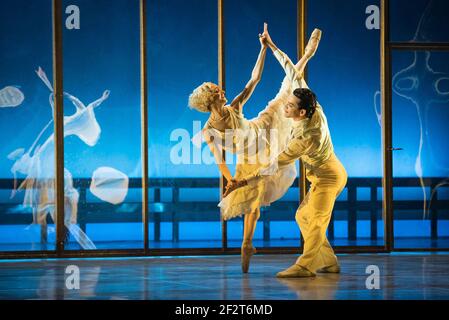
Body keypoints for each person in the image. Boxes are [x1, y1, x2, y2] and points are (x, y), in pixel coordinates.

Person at [188, 24, 322, 273]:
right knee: (253, 204)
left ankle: (307, 54)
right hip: (251, 158)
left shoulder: (234, 106)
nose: (223, 90)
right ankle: (247, 244)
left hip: (265, 128)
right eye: (218, 90)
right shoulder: (209, 131)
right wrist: (231, 182)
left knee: (287, 92)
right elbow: (220, 161)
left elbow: (254, 79)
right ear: (210, 100)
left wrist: (263, 48)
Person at [225, 26, 347, 278]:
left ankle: (304, 266)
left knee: (317, 220)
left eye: (289, 106)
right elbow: (291, 69)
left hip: (329, 176)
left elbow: (275, 164)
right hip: (320, 175)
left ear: (301, 113)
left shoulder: (307, 136)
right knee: (303, 216)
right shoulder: (310, 104)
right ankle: (329, 261)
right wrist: (270, 45)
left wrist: (243, 181)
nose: (285, 107)